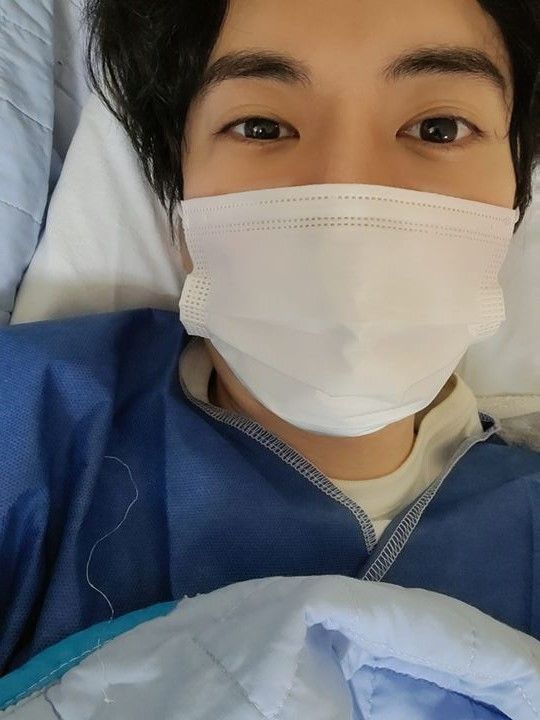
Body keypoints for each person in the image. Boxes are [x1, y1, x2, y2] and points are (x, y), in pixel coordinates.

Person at [0, 0, 539, 676]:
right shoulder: (28, 427)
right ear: (181, 212)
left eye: (438, 128)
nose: (348, 191)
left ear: (514, 203)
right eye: (262, 126)